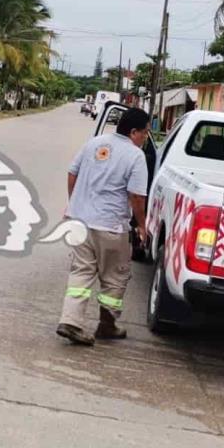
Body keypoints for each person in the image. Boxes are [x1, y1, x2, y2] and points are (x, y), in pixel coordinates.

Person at [57, 106, 150, 346]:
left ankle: (71, 321)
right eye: (145, 133)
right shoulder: (135, 155)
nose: (145, 138)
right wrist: (141, 225)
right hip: (111, 226)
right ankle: (107, 325)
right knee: (115, 277)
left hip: (80, 222)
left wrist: (74, 205)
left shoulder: (94, 143)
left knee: (82, 270)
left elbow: (72, 173)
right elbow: (137, 197)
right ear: (133, 132)